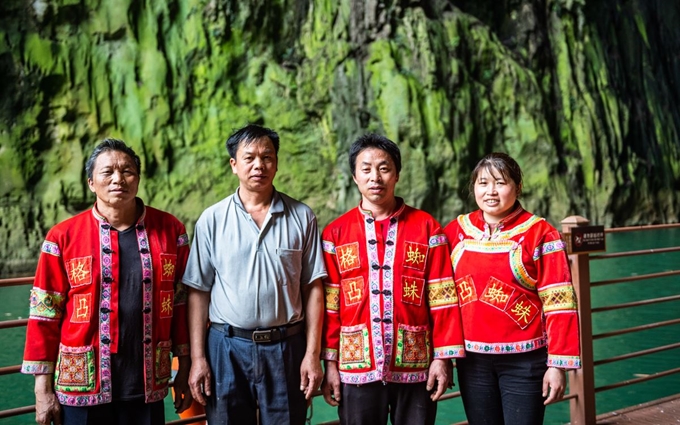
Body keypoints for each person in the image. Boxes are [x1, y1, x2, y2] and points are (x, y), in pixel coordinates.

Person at [21, 139, 193, 425]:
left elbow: (181, 304)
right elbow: (44, 315)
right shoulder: (62, 237)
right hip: (80, 385)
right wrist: (43, 390)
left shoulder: (170, 230)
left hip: (146, 384)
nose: (118, 179)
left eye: (127, 171)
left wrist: (184, 366)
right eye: (107, 172)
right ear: (91, 182)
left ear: (138, 179)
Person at [182, 124, 327, 424]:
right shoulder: (212, 220)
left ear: (276, 162)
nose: (259, 165)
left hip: (287, 347)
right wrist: (198, 359)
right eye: (249, 158)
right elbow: (198, 292)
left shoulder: (302, 216)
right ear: (234, 165)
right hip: (226, 348)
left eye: (267, 157)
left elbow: (313, 288)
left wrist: (312, 355)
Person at [320, 134, 465, 425]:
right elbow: (330, 307)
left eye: (384, 168)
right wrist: (330, 365)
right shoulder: (335, 234)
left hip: (416, 364)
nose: (375, 177)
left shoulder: (427, 228)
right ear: (354, 176)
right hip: (355, 366)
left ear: (396, 174)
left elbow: (443, 299)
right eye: (366, 169)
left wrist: (443, 359)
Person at [443, 152, 581, 425]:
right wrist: (443, 355)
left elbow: (560, 302)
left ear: (517, 187)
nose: (490, 191)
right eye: (483, 183)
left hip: (525, 361)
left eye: (500, 183)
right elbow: (440, 297)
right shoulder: (456, 232)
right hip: (472, 361)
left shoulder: (541, 233)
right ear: (473, 188)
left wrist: (557, 365)